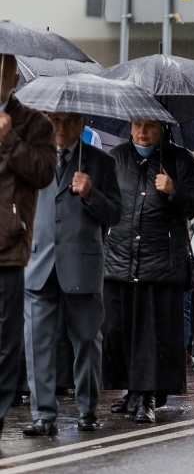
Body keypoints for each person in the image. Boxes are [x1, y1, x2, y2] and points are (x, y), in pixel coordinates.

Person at [102, 119, 194, 423]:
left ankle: (146, 395)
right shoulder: (117, 157)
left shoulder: (179, 159)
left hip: (160, 259)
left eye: (149, 126)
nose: (142, 132)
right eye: (137, 125)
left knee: (151, 333)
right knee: (116, 328)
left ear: (162, 128)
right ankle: (132, 389)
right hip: (119, 258)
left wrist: (174, 190)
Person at [22, 112, 121, 436]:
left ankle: (87, 410)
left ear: (82, 123)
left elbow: (115, 214)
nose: (62, 128)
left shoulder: (101, 162)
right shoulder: (34, 157)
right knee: (37, 342)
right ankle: (43, 415)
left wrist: (91, 193)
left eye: (70, 121)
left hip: (82, 264)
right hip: (39, 263)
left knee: (87, 342)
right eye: (56, 121)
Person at [0, 54, 57, 439]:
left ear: (14, 77)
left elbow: (42, 173)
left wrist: (8, 138)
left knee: (5, 341)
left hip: (9, 245)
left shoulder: (35, 123)